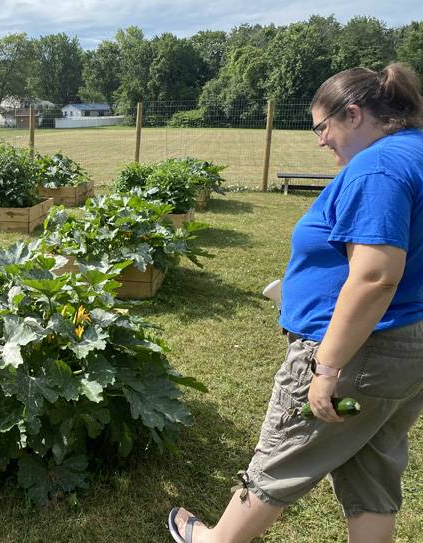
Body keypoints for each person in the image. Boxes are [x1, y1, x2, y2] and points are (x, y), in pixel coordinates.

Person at [168, 62, 423, 543]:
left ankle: (217, 540)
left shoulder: (379, 167)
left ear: (352, 114)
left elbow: (374, 277)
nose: (320, 141)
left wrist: (326, 369)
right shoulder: (415, 153)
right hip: (402, 347)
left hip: (357, 351)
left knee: (282, 453)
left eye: (321, 128)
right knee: (371, 469)